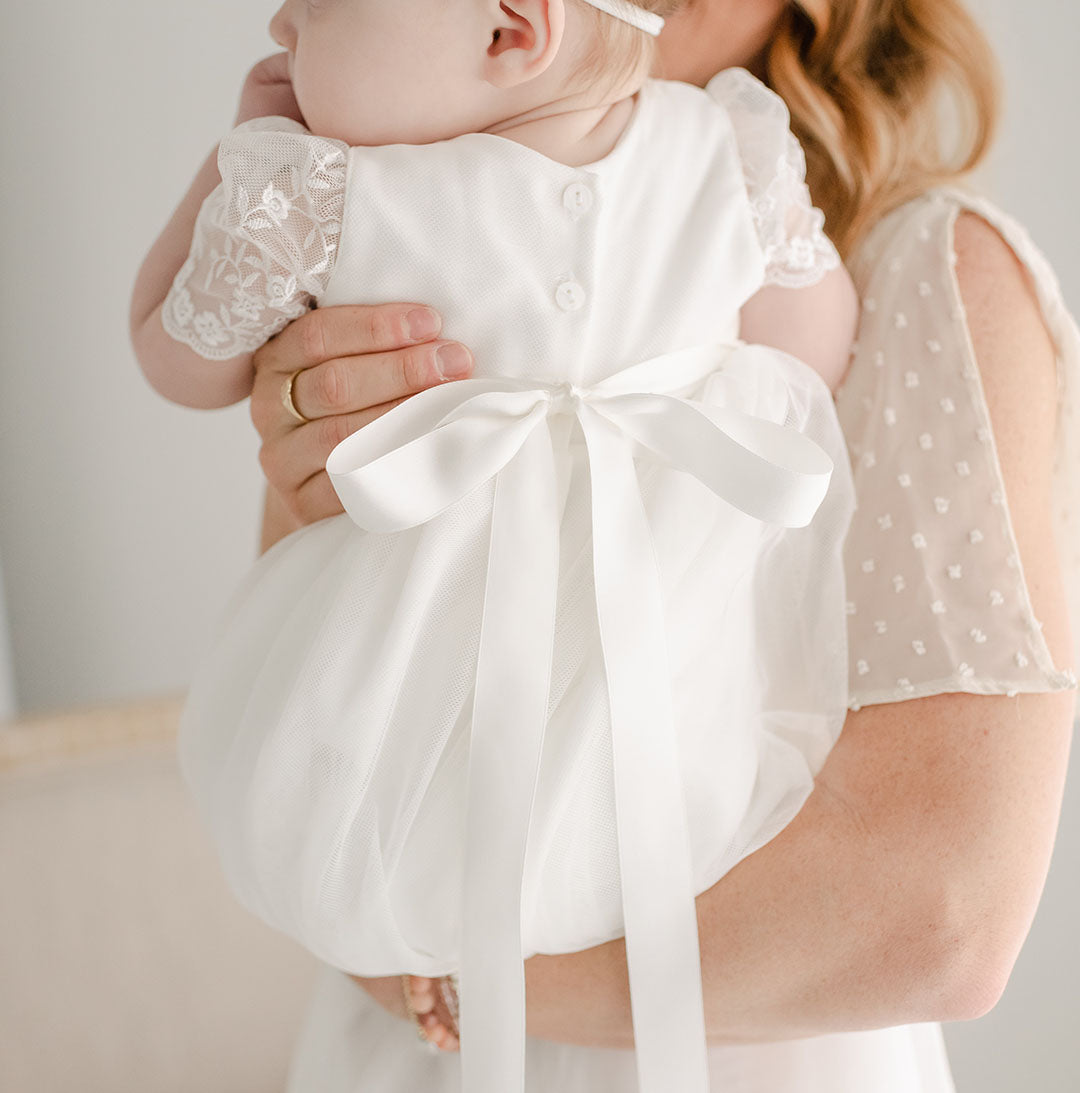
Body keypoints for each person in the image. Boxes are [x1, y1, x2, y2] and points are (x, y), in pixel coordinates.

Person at [227, 0, 1080, 1090]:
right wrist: (317, 513)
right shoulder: (401, 217)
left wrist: (439, 984)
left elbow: (941, 913)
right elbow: (310, 772)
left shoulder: (928, 270)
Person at [129, 1, 864, 1090]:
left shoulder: (330, 195)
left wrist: (237, 171)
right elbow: (813, 352)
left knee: (414, 836)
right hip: (663, 741)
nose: (283, 21)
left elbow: (172, 354)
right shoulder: (721, 150)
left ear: (510, 30)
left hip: (411, 733)